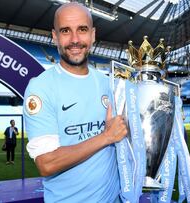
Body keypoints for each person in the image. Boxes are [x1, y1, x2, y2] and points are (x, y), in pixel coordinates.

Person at [23, 2, 128, 203]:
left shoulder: (110, 84)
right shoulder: (41, 88)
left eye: (82, 29)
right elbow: (47, 163)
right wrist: (106, 137)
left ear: (93, 34)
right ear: (55, 36)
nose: (75, 40)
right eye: (65, 31)